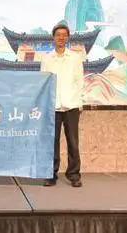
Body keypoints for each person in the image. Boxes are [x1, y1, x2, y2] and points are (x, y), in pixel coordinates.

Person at [40, 23, 84, 188]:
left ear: (68, 38)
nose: (61, 38)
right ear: (53, 37)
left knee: (73, 142)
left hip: (71, 105)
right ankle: (51, 174)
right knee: (52, 142)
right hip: (53, 105)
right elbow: (43, 81)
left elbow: (80, 81)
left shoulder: (75, 57)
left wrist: (80, 102)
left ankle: (74, 174)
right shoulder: (47, 58)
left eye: (64, 35)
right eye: (58, 35)